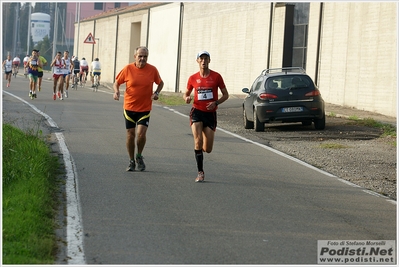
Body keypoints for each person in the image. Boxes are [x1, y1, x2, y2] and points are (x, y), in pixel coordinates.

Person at [113, 46, 164, 172]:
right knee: (130, 135)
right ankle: (131, 161)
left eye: (145, 56)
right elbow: (117, 82)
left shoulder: (152, 70)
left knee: (141, 134)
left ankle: (139, 156)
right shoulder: (128, 69)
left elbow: (160, 82)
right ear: (135, 56)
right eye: (140, 56)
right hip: (129, 107)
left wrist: (156, 93)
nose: (142, 59)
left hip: (145, 108)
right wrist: (116, 92)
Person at [183, 50, 229, 182]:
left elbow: (226, 95)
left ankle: (202, 145)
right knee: (197, 141)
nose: (203, 61)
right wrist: (186, 98)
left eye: (206, 59)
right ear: (197, 61)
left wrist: (216, 103)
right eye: (201, 58)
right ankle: (200, 172)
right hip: (197, 111)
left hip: (210, 114)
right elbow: (185, 94)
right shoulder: (192, 78)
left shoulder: (216, 77)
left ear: (209, 60)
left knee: (207, 149)